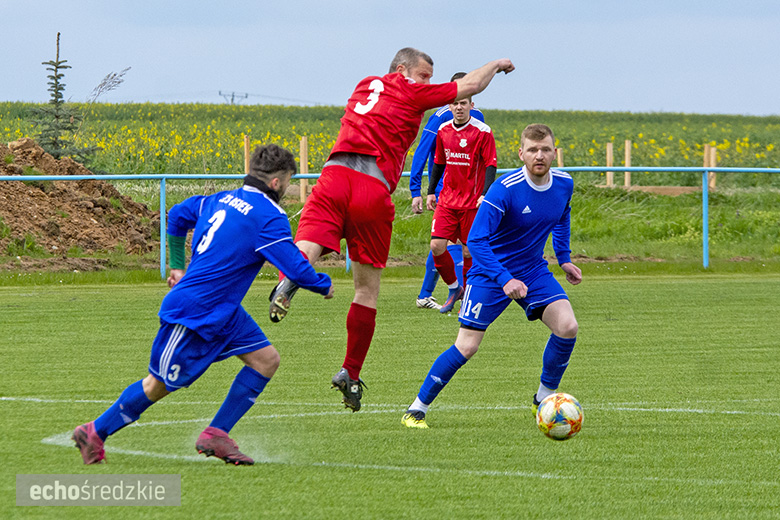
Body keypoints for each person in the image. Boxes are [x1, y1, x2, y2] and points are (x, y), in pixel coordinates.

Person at [268, 47, 514, 412]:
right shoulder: (410, 90)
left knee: (308, 245)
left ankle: (290, 278)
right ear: (402, 70)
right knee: (366, 290)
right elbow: (471, 85)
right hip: (372, 187)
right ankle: (350, 373)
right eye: (424, 76)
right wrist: (496, 64)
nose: (427, 84)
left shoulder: (364, 85)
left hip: (333, 175)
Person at [72, 144, 334, 465]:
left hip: (224, 310)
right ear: (277, 183)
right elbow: (295, 267)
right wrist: (324, 284)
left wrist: (177, 265)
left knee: (266, 360)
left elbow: (177, 215)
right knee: (157, 386)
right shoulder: (269, 217)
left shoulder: (219, 199)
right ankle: (95, 431)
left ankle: (216, 434)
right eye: (290, 181)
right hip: (193, 312)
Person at [401, 124, 582, 429]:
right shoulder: (505, 188)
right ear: (521, 153)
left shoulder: (564, 184)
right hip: (490, 271)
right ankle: (416, 408)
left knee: (567, 327)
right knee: (467, 346)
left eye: (546, 149)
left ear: (554, 153)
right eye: (533, 150)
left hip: (533, 269)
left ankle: (544, 399)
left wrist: (563, 259)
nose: (540, 155)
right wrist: (504, 279)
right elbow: (476, 241)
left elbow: (562, 216)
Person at [408, 72, 485, 311]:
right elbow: (421, 152)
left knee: (466, 244)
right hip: (445, 190)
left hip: (470, 193)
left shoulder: (479, 118)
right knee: (441, 241)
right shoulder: (440, 117)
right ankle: (433, 293)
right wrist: (416, 190)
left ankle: (461, 292)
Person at [426, 94, 497, 314]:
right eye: (455, 104)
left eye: (463, 103)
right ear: (449, 106)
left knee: (468, 252)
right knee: (437, 246)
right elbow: (439, 162)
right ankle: (454, 288)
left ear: (471, 106)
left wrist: (485, 193)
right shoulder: (443, 130)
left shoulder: (483, 131)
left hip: (471, 202)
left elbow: (490, 164)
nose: (459, 107)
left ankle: (469, 295)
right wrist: (430, 191)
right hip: (447, 199)